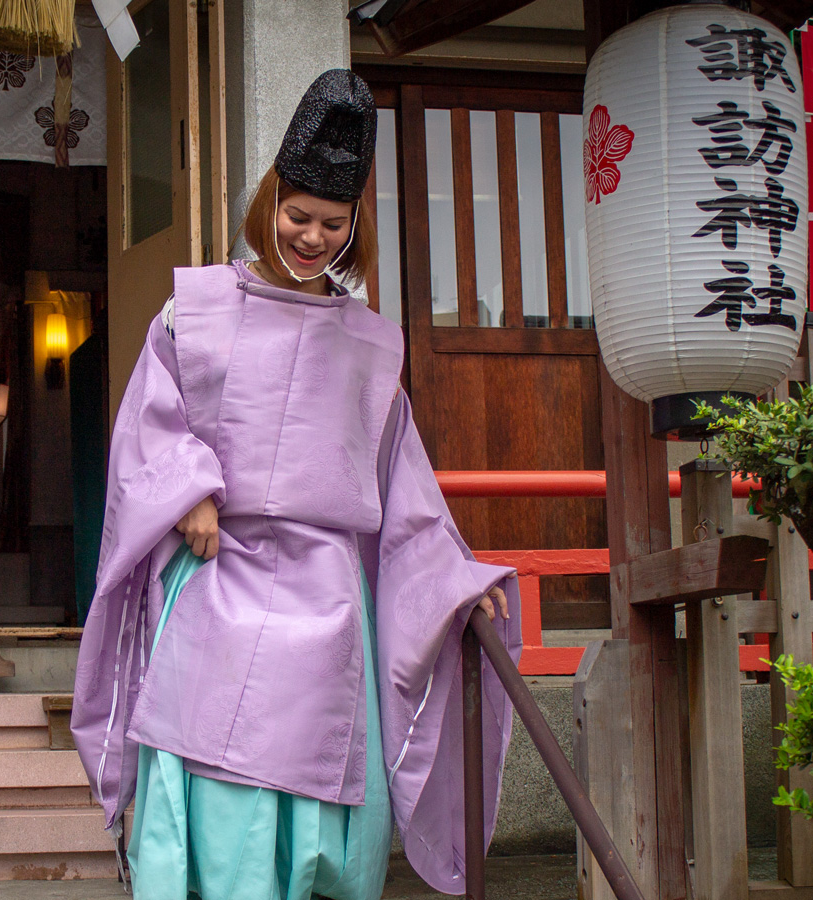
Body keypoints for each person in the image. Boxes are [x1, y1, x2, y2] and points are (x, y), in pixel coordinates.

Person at [70, 69, 521, 899]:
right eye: (297, 215)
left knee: (317, 782)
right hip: (215, 575)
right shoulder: (190, 312)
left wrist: (454, 582)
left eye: (331, 222)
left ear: (354, 227)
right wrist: (190, 488)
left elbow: (408, 496)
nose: (311, 236)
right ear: (269, 206)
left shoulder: (372, 347)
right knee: (203, 767)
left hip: (327, 601)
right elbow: (147, 425)